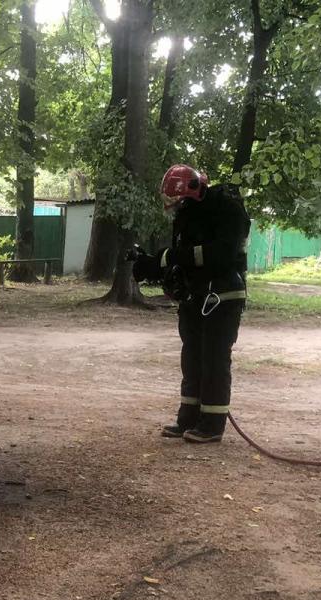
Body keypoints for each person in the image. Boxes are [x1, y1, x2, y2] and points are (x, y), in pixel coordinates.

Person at [132, 164, 251, 443]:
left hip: (222, 297)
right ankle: (187, 419)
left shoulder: (225, 211)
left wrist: (172, 258)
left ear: (195, 190)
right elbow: (181, 255)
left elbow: (218, 255)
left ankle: (211, 425)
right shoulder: (188, 215)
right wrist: (152, 265)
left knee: (213, 360)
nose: (174, 206)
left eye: (178, 199)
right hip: (196, 296)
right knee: (192, 357)